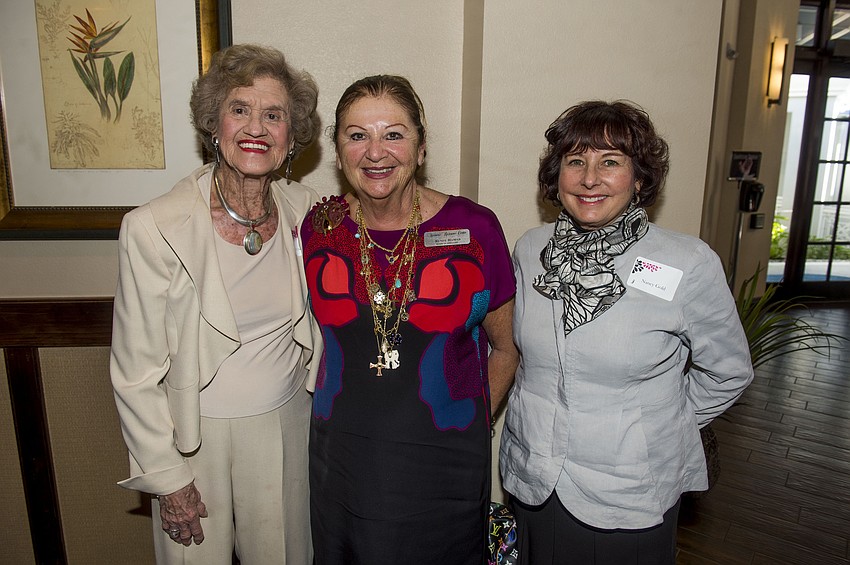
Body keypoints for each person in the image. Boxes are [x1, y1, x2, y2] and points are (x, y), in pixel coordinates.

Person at [500, 100, 754, 564]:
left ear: (639, 178)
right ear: (557, 175)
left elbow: (729, 371)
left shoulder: (687, 262)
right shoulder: (532, 250)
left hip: (628, 488)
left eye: (610, 162)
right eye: (576, 161)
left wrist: (658, 425)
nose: (590, 179)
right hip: (534, 474)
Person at [110, 44, 322, 564]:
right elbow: (135, 373)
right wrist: (167, 478)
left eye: (274, 115)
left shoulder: (308, 211)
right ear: (213, 125)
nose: (256, 128)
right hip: (192, 440)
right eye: (239, 109)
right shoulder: (153, 227)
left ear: (291, 137)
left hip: (287, 426)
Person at [301, 75, 519, 564]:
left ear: (420, 148)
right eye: (357, 135)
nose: (375, 152)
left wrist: (474, 423)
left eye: (393, 134)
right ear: (338, 153)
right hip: (343, 461)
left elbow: (507, 346)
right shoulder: (318, 229)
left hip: (445, 461)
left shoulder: (474, 230)